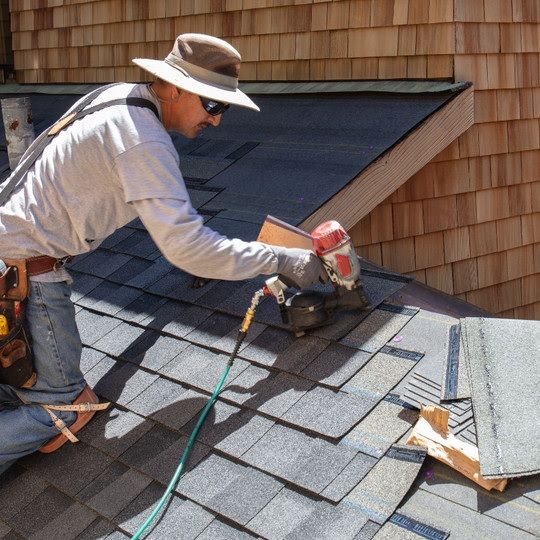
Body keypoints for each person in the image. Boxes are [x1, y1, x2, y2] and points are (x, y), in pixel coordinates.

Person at [0, 33, 326, 475]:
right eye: (211, 104)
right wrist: (283, 260)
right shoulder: (143, 140)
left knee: (15, 385)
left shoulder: (117, 97)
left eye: (222, 107)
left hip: (9, 254)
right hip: (24, 272)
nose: (216, 121)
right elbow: (189, 249)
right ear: (171, 87)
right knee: (65, 410)